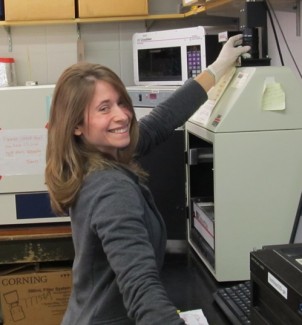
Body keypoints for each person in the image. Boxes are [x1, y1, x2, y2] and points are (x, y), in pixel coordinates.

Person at [45, 34, 250, 325]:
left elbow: (160, 122)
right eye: (104, 108)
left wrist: (217, 68)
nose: (123, 116)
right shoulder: (112, 188)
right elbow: (140, 288)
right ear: (77, 124)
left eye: (121, 103)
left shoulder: (90, 158)